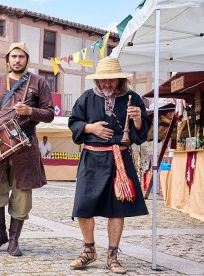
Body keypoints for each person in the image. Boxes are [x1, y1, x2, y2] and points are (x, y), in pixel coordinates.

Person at [68, 56, 151, 274]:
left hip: (119, 159)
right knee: (83, 206)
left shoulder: (133, 98)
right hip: (91, 158)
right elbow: (74, 122)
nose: (106, 84)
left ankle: (112, 255)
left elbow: (140, 135)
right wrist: (90, 128)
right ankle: (89, 250)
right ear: (97, 80)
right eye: (103, 80)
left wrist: (138, 120)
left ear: (119, 79)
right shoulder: (86, 97)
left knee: (117, 208)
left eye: (111, 80)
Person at [0, 42, 54, 256]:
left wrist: (30, 110)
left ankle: (13, 240)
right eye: (14, 56)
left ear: (26, 59)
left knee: (21, 195)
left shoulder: (39, 82)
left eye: (21, 56)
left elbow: (49, 113)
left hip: (25, 146)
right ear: (8, 59)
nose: (17, 60)